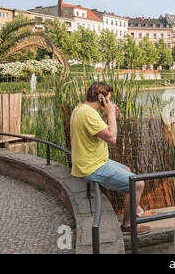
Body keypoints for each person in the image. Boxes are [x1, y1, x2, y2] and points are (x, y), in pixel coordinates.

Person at [70, 82, 150, 235]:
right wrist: (112, 114)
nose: (110, 102)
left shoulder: (81, 109)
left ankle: (137, 211)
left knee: (127, 170)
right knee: (137, 184)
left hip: (93, 161)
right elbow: (112, 138)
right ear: (101, 98)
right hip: (91, 166)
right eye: (109, 99)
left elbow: (95, 129)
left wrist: (106, 115)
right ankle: (127, 226)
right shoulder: (88, 114)